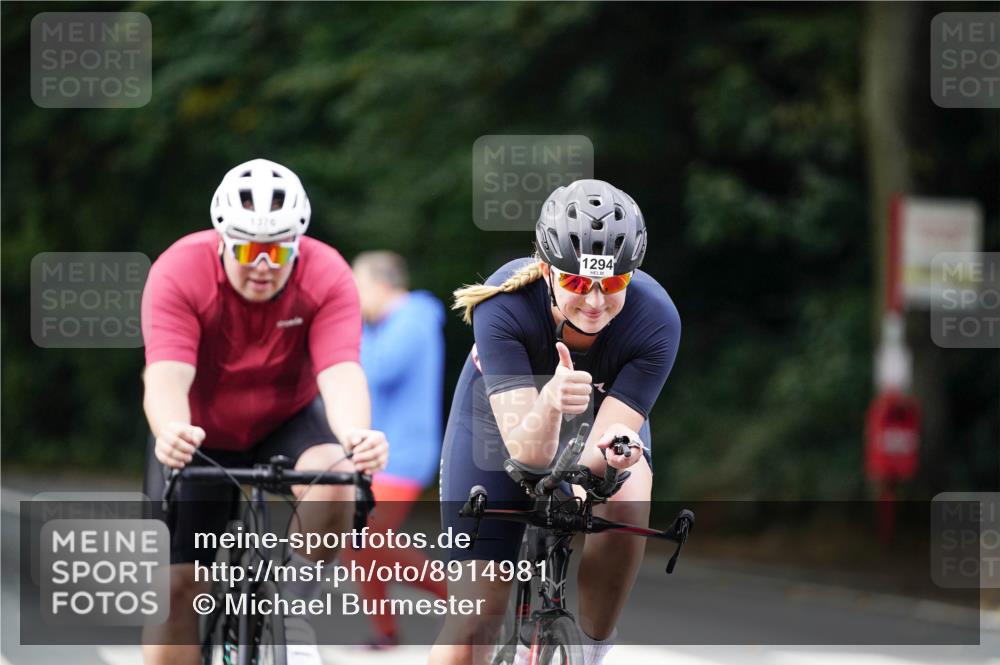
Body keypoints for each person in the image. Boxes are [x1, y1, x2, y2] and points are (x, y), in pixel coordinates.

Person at [140, 158, 389, 665]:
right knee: (177, 590)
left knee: (338, 477)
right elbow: (166, 375)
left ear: (297, 244)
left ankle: (290, 607)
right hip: (196, 427)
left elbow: (340, 372)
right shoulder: (179, 269)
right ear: (222, 240)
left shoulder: (327, 273)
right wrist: (169, 430)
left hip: (285, 418)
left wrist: (357, 435)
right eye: (249, 249)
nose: (263, 264)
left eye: (278, 250)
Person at [430, 180, 680, 665]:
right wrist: (549, 403)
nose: (594, 301)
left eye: (612, 284)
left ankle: (590, 647)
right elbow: (527, 455)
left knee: (627, 496)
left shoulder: (656, 320)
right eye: (577, 282)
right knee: (476, 618)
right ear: (545, 270)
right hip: (501, 423)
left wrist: (598, 476)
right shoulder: (503, 303)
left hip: (599, 421)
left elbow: (610, 439)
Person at [343, 251, 449, 647]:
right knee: (357, 544)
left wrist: (345, 330)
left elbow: (376, 367)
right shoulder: (385, 325)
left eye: (358, 288)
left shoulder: (413, 319)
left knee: (369, 536)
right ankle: (385, 632)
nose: (353, 299)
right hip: (379, 453)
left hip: (402, 454)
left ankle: (463, 601)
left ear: (381, 285)